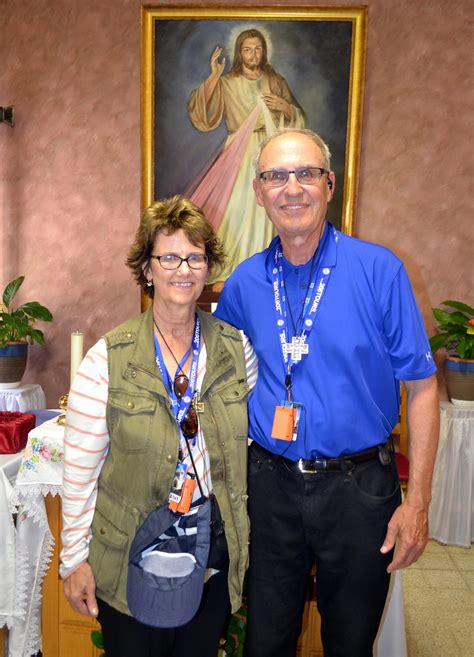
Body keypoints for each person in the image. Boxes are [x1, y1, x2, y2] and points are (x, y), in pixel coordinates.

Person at [214, 128, 440, 657]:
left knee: (350, 642)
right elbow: (219, 387)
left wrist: (420, 502)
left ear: (329, 183)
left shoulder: (379, 270)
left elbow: (423, 388)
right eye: (275, 176)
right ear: (258, 191)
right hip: (269, 486)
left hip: (360, 490)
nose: (291, 188)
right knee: (265, 641)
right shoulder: (244, 284)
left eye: (305, 173)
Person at [60, 196, 257, 657]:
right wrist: (73, 560)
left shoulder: (236, 351)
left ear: (208, 268)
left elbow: (243, 443)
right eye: (168, 256)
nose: (182, 269)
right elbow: (79, 474)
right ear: (147, 269)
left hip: (209, 554)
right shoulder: (107, 359)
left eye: (194, 257)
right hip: (130, 555)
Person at [188, 28, 305, 283]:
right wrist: (213, 78)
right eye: (247, 49)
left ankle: (266, 270)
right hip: (239, 155)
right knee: (238, 211)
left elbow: (299, 123)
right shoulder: (227, 82)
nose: (253, 54)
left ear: (264, 50)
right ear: (239, 53)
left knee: (269, 212)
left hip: (272, 153)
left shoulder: (275, 81)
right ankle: (238, 271)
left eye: (257, 48)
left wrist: (285, 107)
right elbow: (203, 116)